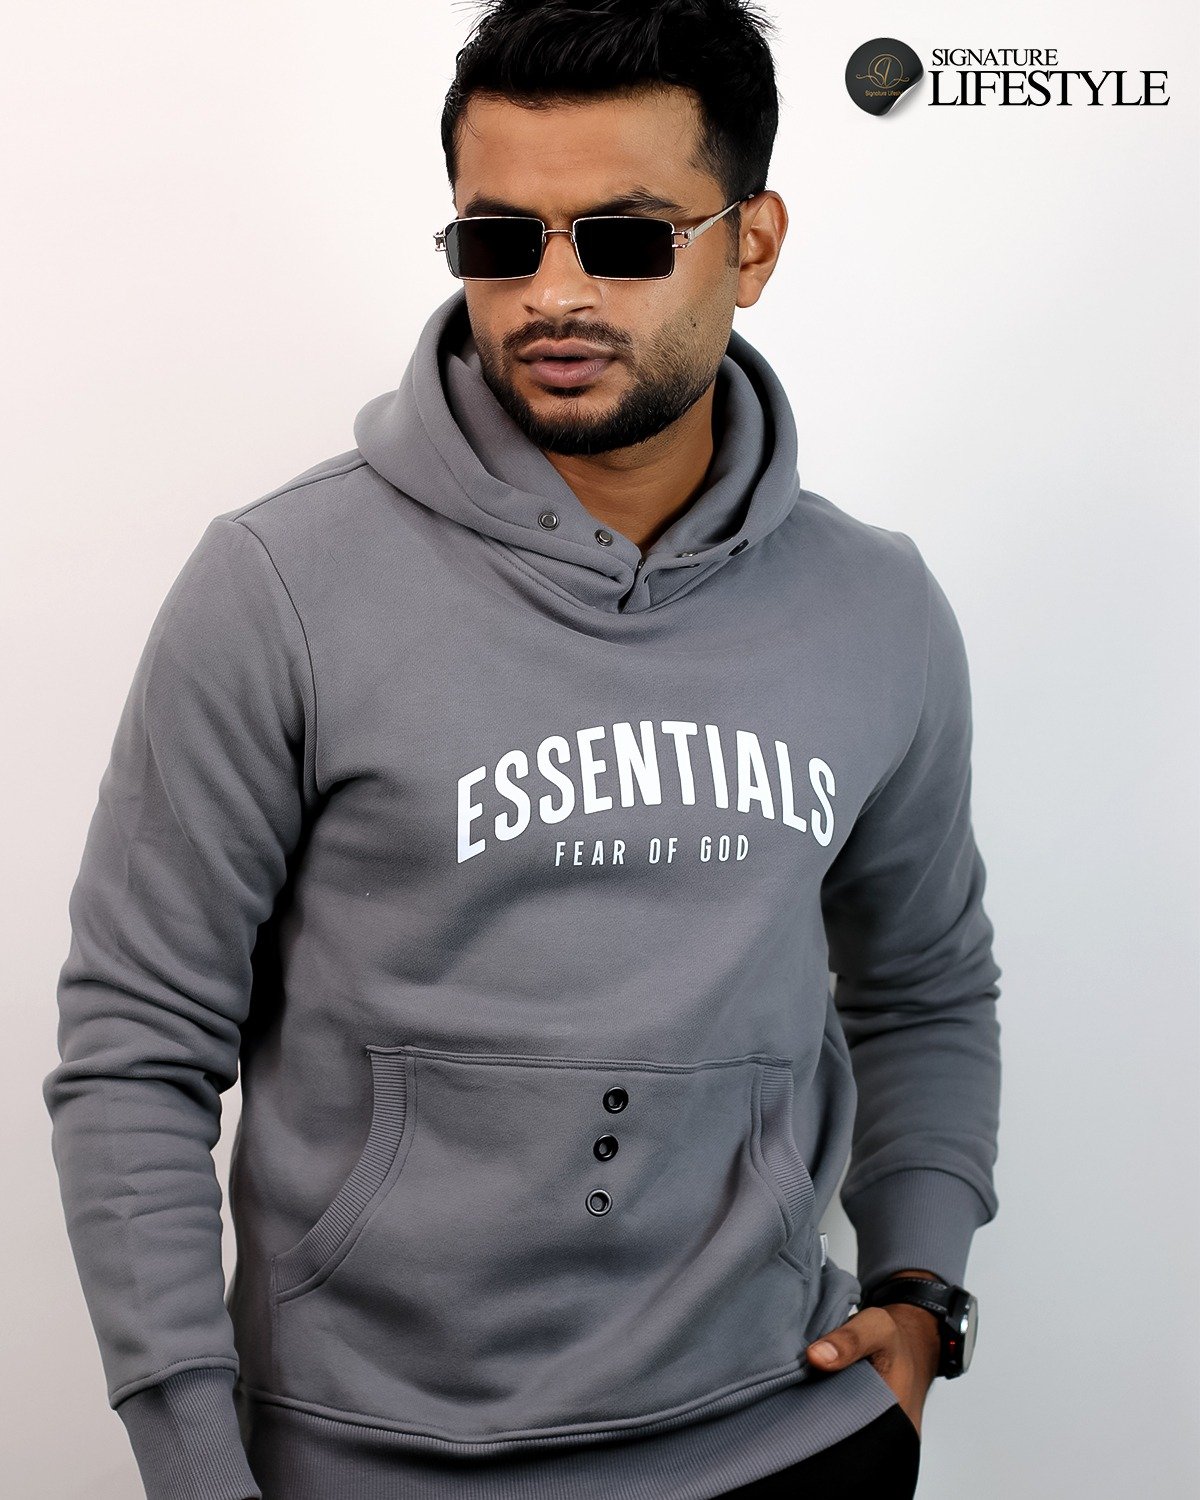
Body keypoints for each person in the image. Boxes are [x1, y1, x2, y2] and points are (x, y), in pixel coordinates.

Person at [42, 3, 1002, 1497]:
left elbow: (926, 982)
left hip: (784, 1429)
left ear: (752, 244)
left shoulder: (876, 608)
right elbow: (136, 1045)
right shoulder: (280, 585)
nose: (553, 294)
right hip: (371, 1461)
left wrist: (923, 1292)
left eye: (624, 239)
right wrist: (190, 1457)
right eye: (500, 240)